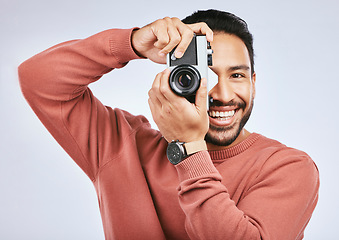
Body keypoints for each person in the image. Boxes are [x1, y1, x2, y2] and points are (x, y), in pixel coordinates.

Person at [18, 9, 319, 240]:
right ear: (178, 75)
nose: (223, 95)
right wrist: (132, 43)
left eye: (237, 76)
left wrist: (189, 149)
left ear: (253, 83)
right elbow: (38, 78)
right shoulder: (124, 145)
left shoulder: (288, 168)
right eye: (206, 75)